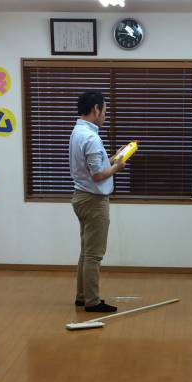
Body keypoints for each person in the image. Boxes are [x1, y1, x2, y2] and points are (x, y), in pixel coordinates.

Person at [70, 91, 126, 313]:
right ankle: (92, 301)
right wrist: (117, 167)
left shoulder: (78, 132)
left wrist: (113, 159)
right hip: (93, 201)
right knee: (94, 254)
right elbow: (98, 175)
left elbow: (94, 166)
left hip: (81, 197)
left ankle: (82, 296)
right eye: (104, 110)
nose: (105, 115)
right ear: (95, 109)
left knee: (86, 251)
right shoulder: (91, 138)